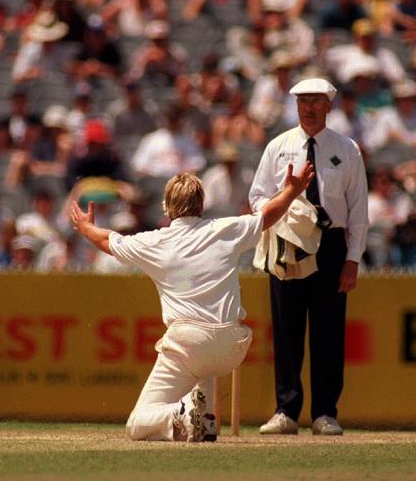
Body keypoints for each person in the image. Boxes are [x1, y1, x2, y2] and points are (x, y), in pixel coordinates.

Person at [70, 163, 315, 442]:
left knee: (137, 424)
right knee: (203, 364)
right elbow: (267, 215)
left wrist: (85, 226)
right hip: (231, 346)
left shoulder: (155, 242)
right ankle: (205, 423)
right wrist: (292, 191)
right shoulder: (225, 228)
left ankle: (183, 414)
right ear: (201, 205)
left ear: (166, 207)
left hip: (189, 344)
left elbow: (108, 240)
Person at [249, 78, 369, 436]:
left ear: (329, 105)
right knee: (286, 329)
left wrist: (352, 259)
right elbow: (256, 197)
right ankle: (286, 410)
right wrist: (285, 206)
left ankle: (325, 412)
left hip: (331, 244)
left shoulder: (346, 149)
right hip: (287, 240)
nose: (308, 107)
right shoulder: (278, 146)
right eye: (302, 101)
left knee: (328, 331)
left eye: (316, 100)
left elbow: (358, 209)